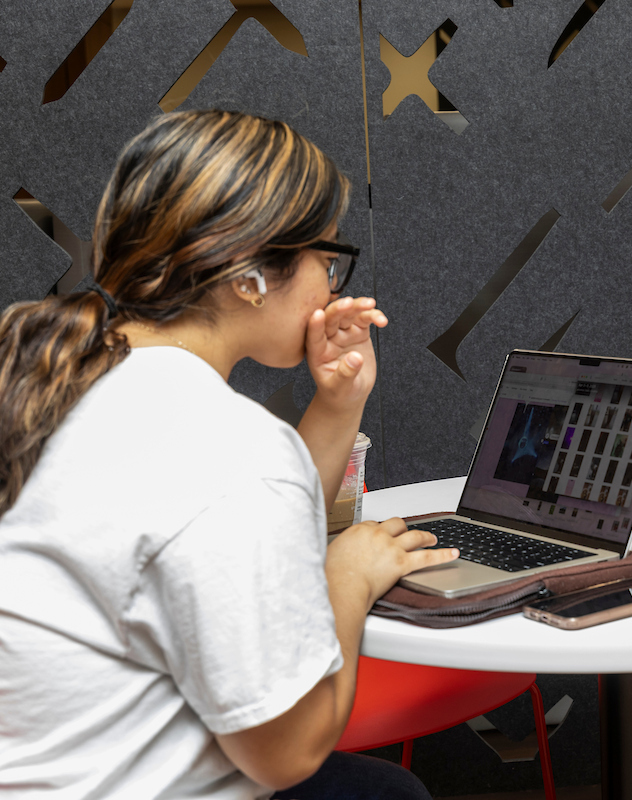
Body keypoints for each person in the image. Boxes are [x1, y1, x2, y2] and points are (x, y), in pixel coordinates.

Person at [0, 110, 459, 799]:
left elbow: (240, 550)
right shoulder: (224, 444)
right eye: (325, 262)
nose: (330, 289)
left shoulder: (63, 373)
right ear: (248, 273)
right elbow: (287, 752)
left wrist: (337, 403)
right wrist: (349, 578)